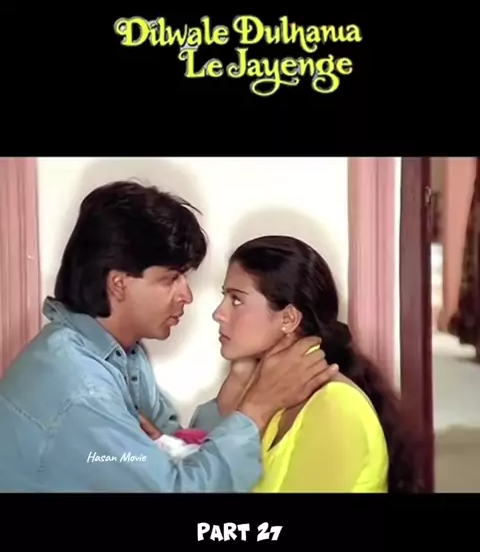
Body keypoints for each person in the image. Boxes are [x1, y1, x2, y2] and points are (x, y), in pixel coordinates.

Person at [0, 181, 336, 492]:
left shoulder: (121, 356)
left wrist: (234, 389)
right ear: (119, 284)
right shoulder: (82, 391)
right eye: (171, 278)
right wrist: (257, 410)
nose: (187, 296)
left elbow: (175, 449)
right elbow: (179, 488)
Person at [194, 235, 423, 493]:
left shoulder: (335, 406)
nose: (219, 314)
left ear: (289, 318)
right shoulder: (273, 397)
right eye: (225, 297)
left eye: (236, 300)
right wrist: (236, 384)